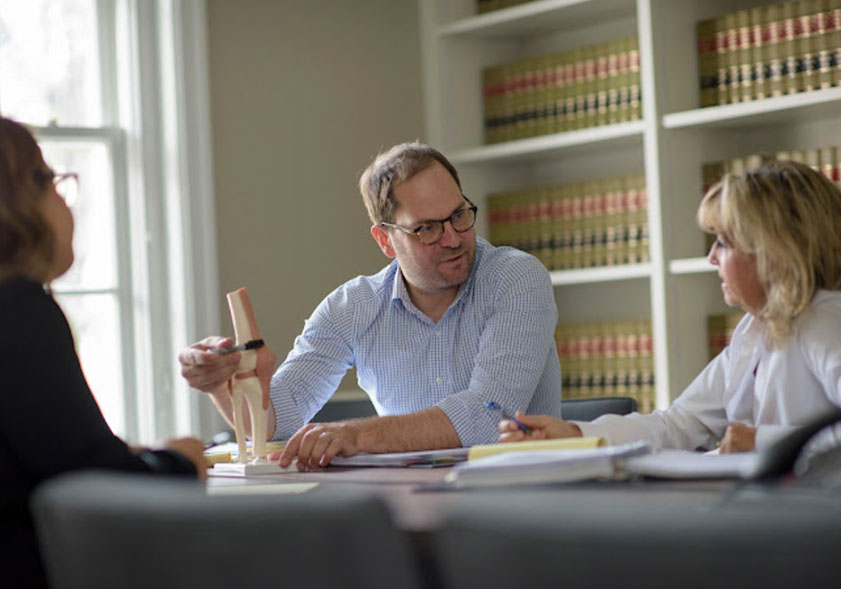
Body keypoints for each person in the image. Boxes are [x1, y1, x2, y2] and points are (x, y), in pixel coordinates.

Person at [179, 142, 561, 470]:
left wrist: (357, 434)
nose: (453, 238)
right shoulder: (353, 306)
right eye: (426, 228)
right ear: (385, 240)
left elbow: (487, 419)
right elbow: (275, 425)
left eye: (459, 215)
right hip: (404, 501)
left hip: (513, 499)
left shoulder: (516, 278)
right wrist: (223, 384)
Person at [500, 160, 841, 453]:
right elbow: (682, 422)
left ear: (772, 252)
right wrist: (574, 434)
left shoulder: (824, 320)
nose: (711, 258)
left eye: (723, 243)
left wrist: (762, 442)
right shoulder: (755, 331)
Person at [0, 117, 207, 589]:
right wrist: (179, 462)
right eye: (51, 181)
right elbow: (96, 483)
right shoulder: (19, 311)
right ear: (21, 198)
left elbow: (45, 455)